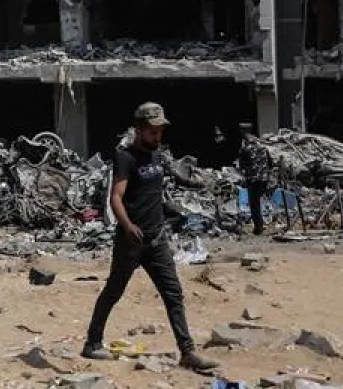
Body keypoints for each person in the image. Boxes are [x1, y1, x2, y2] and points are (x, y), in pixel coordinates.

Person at [82, 103, 218, 374]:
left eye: (160, 131)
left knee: (173, 294)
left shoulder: (158, 157)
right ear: (140, 130)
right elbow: (116, 197)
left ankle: (188, 352)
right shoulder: (125, 157)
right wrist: (128, 226)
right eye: (153, 131)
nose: (158, 136)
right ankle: (92, 342)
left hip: (157, 240)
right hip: (131, 241)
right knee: (114, 291)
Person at [237, 126, 275, 236]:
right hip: (264, 179)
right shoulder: (263, 148)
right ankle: (260, 225)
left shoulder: (245, 149)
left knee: (254, 203)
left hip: (253, 180)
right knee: (258, 202)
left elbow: (241, 166)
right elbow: (271, 164)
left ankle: (258, 228)